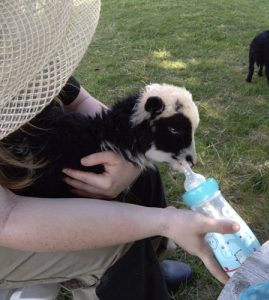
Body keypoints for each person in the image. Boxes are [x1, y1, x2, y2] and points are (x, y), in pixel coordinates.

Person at [0, 1, 240, 300]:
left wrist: (129, 154)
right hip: (8, 223)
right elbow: (8, 218)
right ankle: (130, 273)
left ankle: (149, 263)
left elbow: (80, 101)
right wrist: (165, 221)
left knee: (143, 177)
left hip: (29, 169)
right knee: (116, 244)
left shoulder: (16, 50)